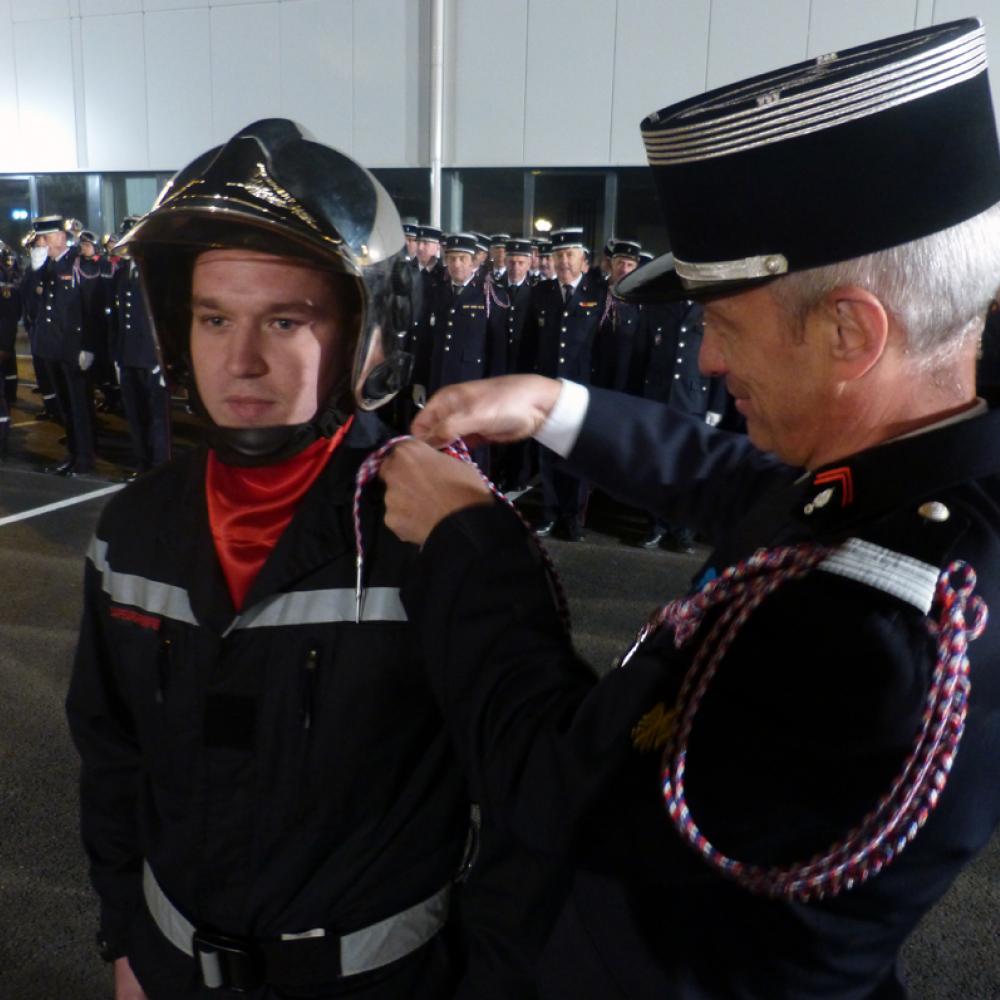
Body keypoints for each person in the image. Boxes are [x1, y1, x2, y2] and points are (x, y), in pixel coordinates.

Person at [379, 19, 1000, 998]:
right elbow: (747, 487)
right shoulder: (925, 487)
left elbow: (561, 789)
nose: (708, 361)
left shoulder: (869, 633)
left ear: (849, 331)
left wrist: (471, 538)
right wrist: (554, 404)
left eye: (722, 321)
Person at [65, 119, 542, 1000]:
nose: (239, 361)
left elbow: (533, 802)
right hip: (171, 972)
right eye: (214, 319)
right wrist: (127, 939)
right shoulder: (131, 528)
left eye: (284, 320)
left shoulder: (440, 533)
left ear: (368, 335)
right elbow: (111, 758)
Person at [531, 226, 606, 539]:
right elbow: (529, 343)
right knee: (547, 454)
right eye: (558, 255)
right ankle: (550, 513)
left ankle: (573, 518)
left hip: (581, 390)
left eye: (569, 255)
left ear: (583, 260)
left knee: (575, 456)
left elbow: (604, 348)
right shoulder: (541, 293)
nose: (562, 261)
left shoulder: (598, 295)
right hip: (547, 388)